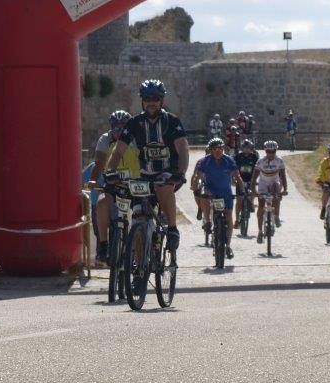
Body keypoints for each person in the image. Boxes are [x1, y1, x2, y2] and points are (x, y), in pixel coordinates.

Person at [108, 79, 190, 255]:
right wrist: (110, 172)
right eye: (147, 98)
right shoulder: (134, 123)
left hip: (168, 173)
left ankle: (172, 228)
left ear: (162, 100)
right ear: (142, 100)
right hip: (144, 175)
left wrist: (181, 173)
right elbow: (118, 151)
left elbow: (182, 148)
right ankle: (139, 267)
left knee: (162, 185)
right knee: (138, 218)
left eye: (155, 98)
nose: (151, 102)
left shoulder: (172, 121)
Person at [89, 110, 139, 264]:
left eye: (122, 127)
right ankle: (103, 245)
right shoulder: (105, 139)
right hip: (114, 184)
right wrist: (93, 181)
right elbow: (99, 162)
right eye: (115, 127)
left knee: (142, 217)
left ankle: (140, 256)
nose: (119, 130)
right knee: (101, 205)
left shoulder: (136, 138)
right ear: (111, 127)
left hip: (135, 184)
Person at [192, 137, 243, 259]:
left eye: (220, 148)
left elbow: (237, 177)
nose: (217, 151)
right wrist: (195, 186)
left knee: (229, 216)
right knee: (204, 195)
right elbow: (197, 176)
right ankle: (208, 221)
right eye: (214, 149)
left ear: (223, 149)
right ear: (210, 150)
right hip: (211, 190)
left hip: (225, 192)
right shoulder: (205, 161)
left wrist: (241, 189)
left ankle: (228, 245)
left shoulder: (229, 160)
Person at [250, 140, 287, 243]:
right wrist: (254, 190)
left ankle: (276, 216)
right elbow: (254, 177)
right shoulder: (260, 162)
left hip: (275, 182)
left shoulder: (279, 161)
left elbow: (283, 176)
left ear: (276, 151)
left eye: (273, 151)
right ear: (265, 151)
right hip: (263, 183)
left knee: (276, 196)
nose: (271, 154)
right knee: (261, 205)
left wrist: (285, 189)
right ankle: (260, 231)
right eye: (268, 151)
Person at [235, 138, 259, 226]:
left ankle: (251, 203)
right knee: (239, 200)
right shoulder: (238, 157)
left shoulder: (254, 157)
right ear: (242, 148)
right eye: (245, 147)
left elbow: (258, 168)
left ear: (251, 148)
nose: (247, 149)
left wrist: (256, 180)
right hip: (240, 179)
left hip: (251, 179)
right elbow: (234, 168)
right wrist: (234, 179)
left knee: (252, 192)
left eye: (248, 147)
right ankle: (237, 219)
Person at [315, 143, 330, 220]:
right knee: (326, 191)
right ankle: (323, 208)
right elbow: (320, 172)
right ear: (328, 153)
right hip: (327, 183)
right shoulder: (324, 162)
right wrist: (320, 181)